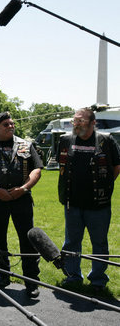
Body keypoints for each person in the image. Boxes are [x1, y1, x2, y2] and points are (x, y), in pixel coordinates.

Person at [0, 111, 43, 298]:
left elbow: (37, 169)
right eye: (6, 124)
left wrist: (24, 188)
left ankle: (31, 281)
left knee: (28, 239)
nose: (11, 126)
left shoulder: (27, 145)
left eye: (12, 123)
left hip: (21, 199)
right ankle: (3, 276)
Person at [57, 107, 120, 291]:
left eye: (81, 121)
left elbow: (116, 166)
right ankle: (73, 277)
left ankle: (98, 280)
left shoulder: (106, 141)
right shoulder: (65, 140)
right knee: (71, 242)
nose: (76, 124)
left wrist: (105, 184)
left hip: (98, 205)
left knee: (99, 242)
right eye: (74, 120)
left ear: (93, 123)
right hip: (72, 203)